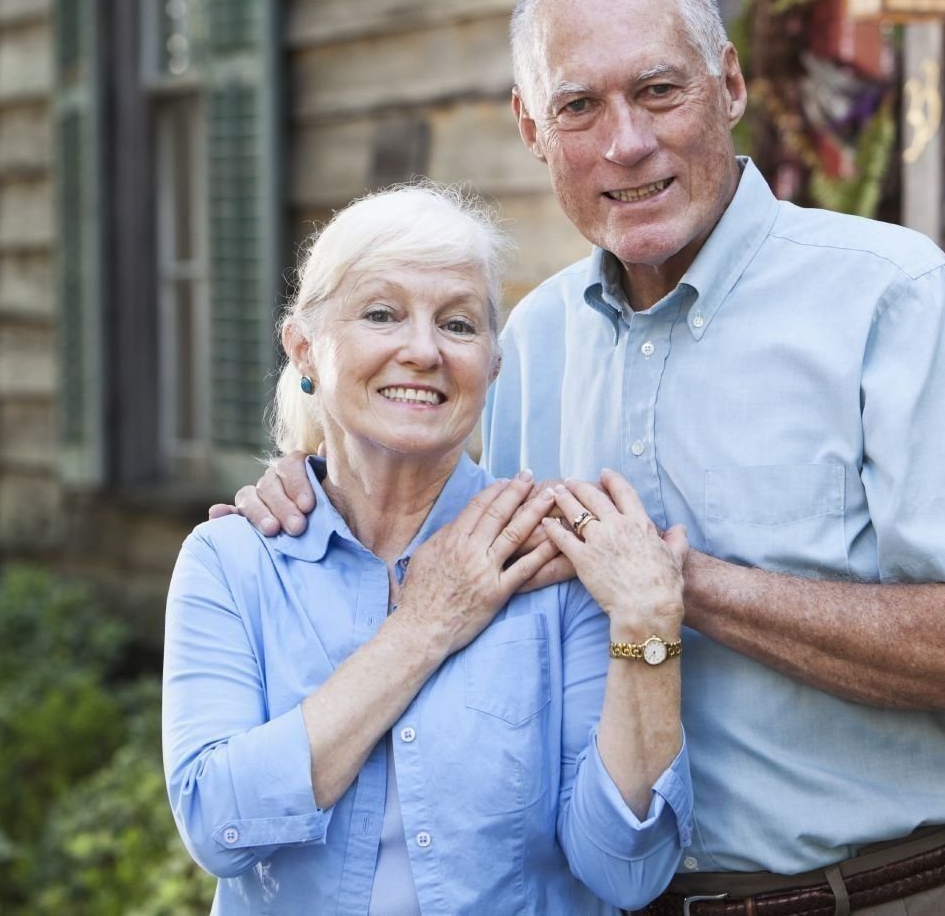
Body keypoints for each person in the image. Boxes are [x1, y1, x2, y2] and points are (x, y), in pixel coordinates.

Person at [219, 0, 945, 915]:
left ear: (730, 85)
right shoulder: (526, 345)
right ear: (533, 129)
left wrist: (680, 589)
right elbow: (435, 567)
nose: (625, 142)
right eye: (579, 106)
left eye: (658, 91)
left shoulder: (893, 297)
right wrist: (304, 486)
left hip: (894, 893)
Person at [163, 184, 697, 914]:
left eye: (457, 323)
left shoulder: (550, 559)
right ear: (304, 348)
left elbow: (625, 871)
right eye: (382, 314)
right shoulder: (233, 560)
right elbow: (216, 820)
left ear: (492, 365)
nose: (423, 350)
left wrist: (648, 629)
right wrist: (424, 624)